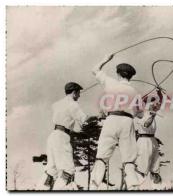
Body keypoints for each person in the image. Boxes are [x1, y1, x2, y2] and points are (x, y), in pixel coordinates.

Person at [90, 54, 141, 190]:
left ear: (118, 74)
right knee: (129, 159)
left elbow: (95, 69)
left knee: (101, 157)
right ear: (130, 76)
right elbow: (138, 114)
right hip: (127, 122)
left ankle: (93, 188)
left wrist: (106, 59)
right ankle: (133, 189)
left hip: (111, 120)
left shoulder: (111, 82)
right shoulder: (135, 91)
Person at [36, 82, 88, 190]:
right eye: (78, 93)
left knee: (51, 170)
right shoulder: (73, 104)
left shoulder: (56, 104)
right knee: (68, 170)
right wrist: (98, 117)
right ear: (74, 93)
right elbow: (84, 121)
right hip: (62, 137)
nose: (79, 95)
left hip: (53, 136)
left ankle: (40, 190)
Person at [134, 89, 163, 189]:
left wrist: (159, 93)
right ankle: (140, 188)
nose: (156, 104)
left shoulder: (153, 111)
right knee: (142, 167)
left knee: (155, 168)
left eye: (156, 103)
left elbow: (160, 102)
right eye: (153, 102)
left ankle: (155, 188)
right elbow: (146, 124)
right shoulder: (140, 114)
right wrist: (153, 116)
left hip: (153, 141)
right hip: (143, 141)